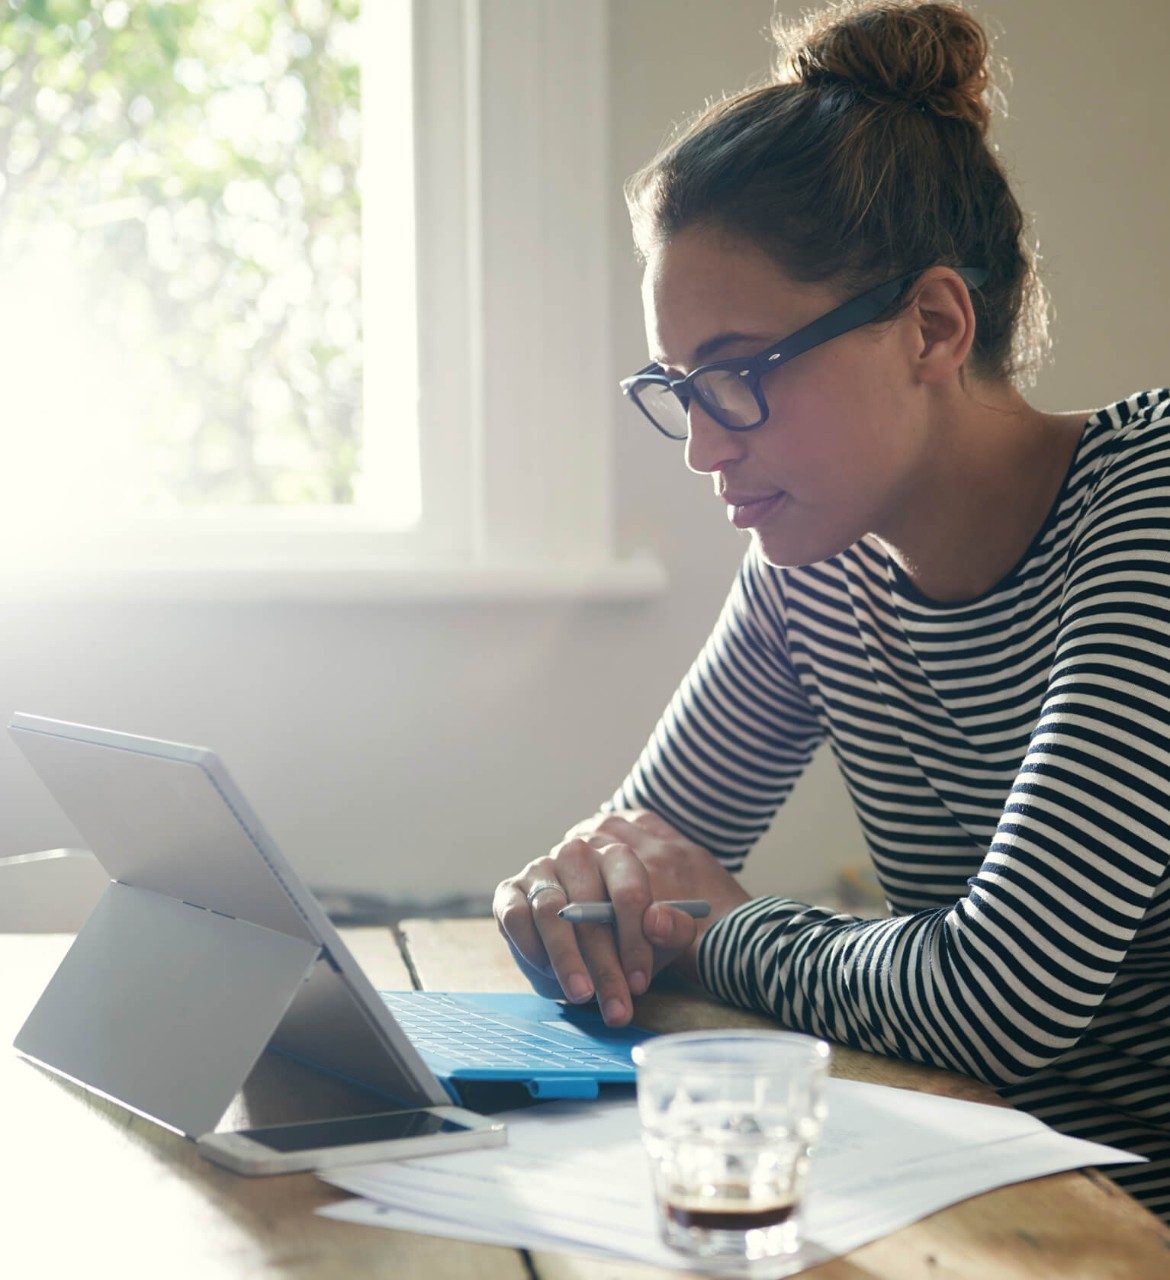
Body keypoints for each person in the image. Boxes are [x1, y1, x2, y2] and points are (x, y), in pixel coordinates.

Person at [492, 0, 1170, 1220]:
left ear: (932, 324)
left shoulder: (1150, 502)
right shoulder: (815, 567)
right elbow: (635, 866)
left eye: (740, 375)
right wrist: (558, 896)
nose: (702, 446)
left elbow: (1001, 996)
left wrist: (713, 927)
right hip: (1002, 1203)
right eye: (678, 387)